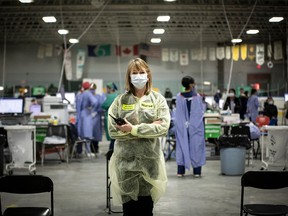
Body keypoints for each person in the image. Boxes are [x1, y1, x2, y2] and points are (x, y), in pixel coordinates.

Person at [108, 58, 170, 216]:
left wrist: (131, 129)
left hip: (149, 161)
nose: (138, 76)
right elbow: (112, 130)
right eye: (134, 73)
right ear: (129, 76)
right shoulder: (120, 101)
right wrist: (149, 127)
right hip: (125, 163)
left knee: (146, 208)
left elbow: (163, 128)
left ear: (148, 75)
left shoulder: (158, 100)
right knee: (128, 210)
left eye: (141, 72)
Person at [174, 76, 206, 177]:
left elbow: (177, 114)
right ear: (191, 84)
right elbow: (199, 113)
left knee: (181, 146)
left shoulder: (179, 96)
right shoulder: (197, 97)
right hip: (195, 126)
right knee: (196, 146)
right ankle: (197, 171)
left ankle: (180, 171)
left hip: (182, 126)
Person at [76, 81, 98, 157]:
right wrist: (90, 107)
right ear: (89, 87)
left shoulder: (80, 94)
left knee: (82, 135)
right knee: (88, 135)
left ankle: (81, 151)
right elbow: (95, 101)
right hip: (87, 115)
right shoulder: (88, 93)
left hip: (81, 115)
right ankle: (88, 151)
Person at [101, 82, 118, 150]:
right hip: (114, 117)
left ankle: (111, 150)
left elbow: (104, 105)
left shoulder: (111, 96)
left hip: (110, 117)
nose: (106, 90)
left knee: (112, 136)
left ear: (111, 89)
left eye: (107, 88)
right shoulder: (116, 95)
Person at [90, 83, 105, 153]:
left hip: (96, 117)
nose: (91, 91)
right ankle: (90, 148)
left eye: (93, 89)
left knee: (96, 133)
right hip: (88, 117)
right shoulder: (87, 96)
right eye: (90, 89)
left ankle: (95, 147)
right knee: (89, 133)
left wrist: (96, 112)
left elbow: (101, 106)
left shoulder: (98, 97)